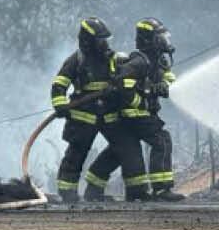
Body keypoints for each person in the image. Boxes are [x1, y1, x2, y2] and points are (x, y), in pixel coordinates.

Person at [84, 18, 185, 202]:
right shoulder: (138, 61)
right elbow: (122, 83)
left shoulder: (159, 60)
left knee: (118, 151)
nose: (165, 41)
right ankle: (161, 190)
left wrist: (163, 84)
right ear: (149, 40)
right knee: (162, 140)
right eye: (160, 37)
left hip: (139, 116)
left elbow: (169, 77)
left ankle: (93, 188)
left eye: (165, 37)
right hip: (135, 116)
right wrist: (143, 99)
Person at [48, 17, 142, 204]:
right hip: (83, 116)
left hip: (110, 114)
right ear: (87, 41)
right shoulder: (76, 60)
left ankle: (132, 192)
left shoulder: (114, 58)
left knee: (126, 148)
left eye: (105, 39)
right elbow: (59, 84)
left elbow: (133, 68)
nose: (104, 44)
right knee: (76, 154)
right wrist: (60, 105)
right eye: (100, 40)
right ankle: (68, 194)